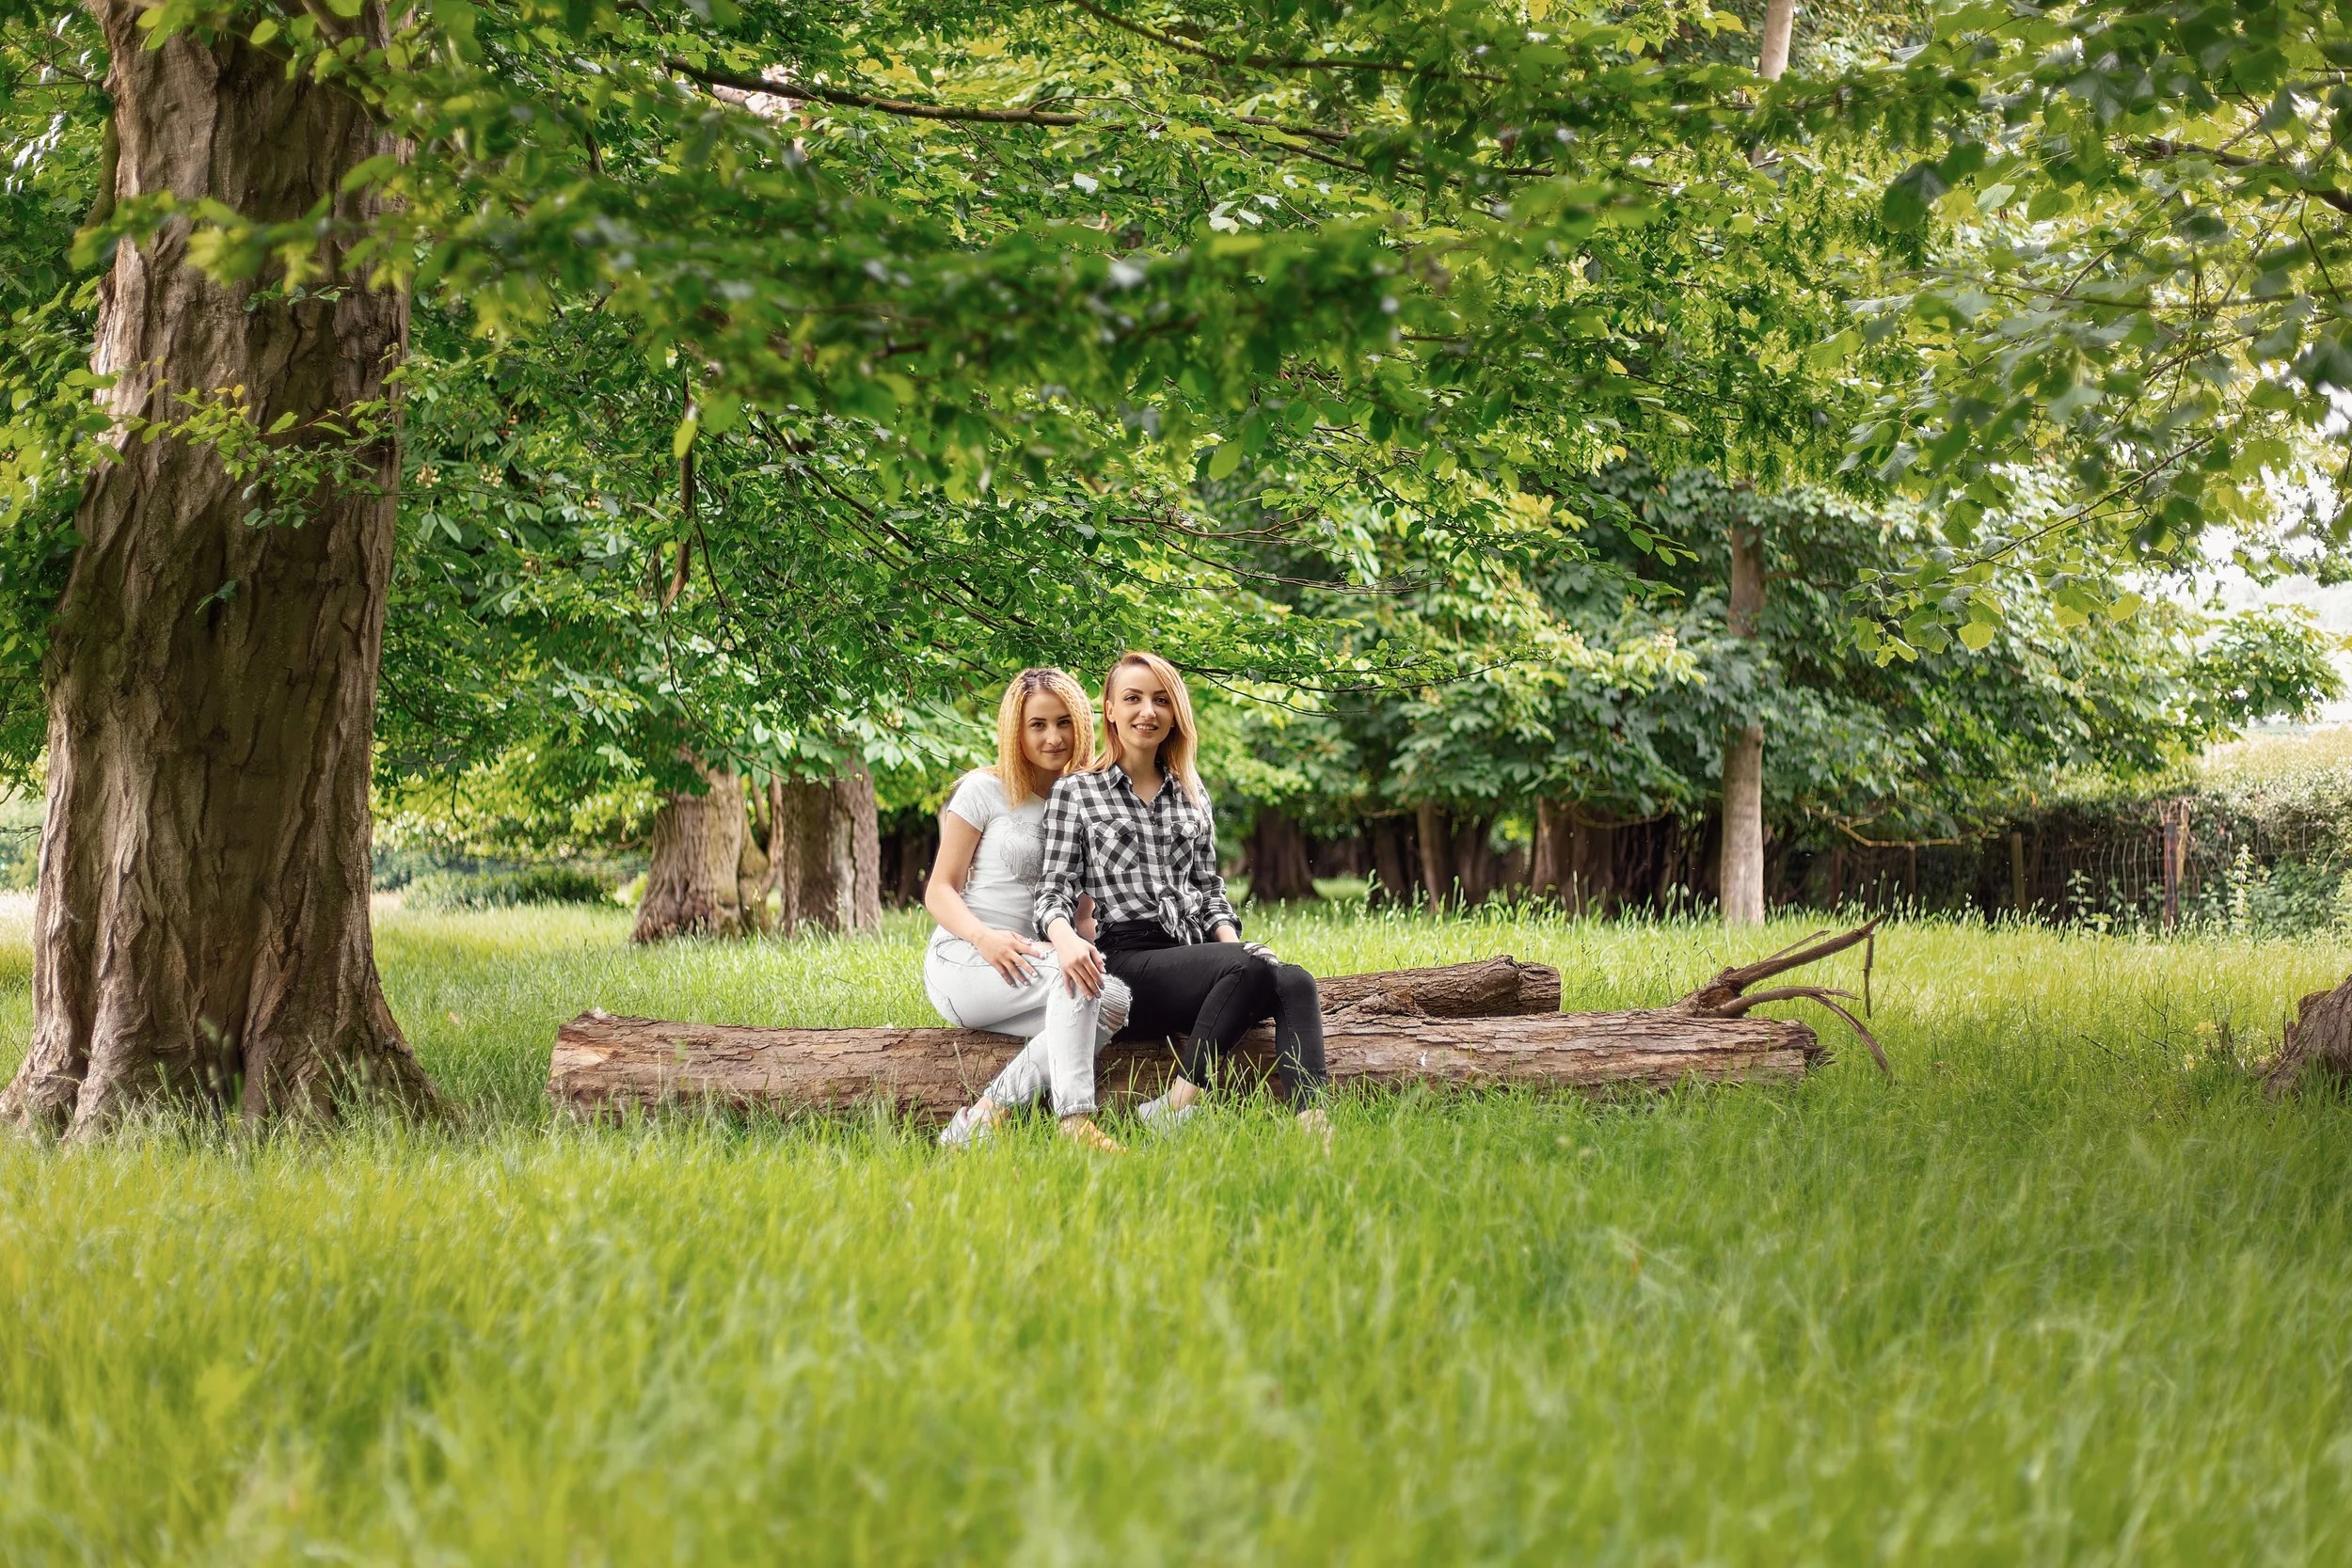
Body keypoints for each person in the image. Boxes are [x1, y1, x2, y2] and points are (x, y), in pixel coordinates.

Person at [1034, 651, 1331, 1143]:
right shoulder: (1077, 792)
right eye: (1132, 698)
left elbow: (1211, 892)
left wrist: (1234, 949)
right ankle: (1177, 1107)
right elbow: (1052, 892)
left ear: (1175, 714)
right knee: (1255, 968)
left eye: (1160, 700)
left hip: (1193, 955)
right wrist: (1066, 941)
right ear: (1109, 709)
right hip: (1128, 963)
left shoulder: (1192, 793)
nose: (1147, 711)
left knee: (1294, 980)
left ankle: (1315, 1126)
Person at [925, 669, 1131, 1151]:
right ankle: (1075, 1120)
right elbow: (939, 890)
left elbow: (1081, 917)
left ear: (1081, 725)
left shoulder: (1088, 799)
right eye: (1037, 725)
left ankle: (984, 1116)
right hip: (968, 958)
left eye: (1063, 723)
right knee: (1075, 979)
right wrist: (983, 937)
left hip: (1036, 964)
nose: (1053, 737)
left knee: (1114, 1000)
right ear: (1016, 730)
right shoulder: (983, 790)